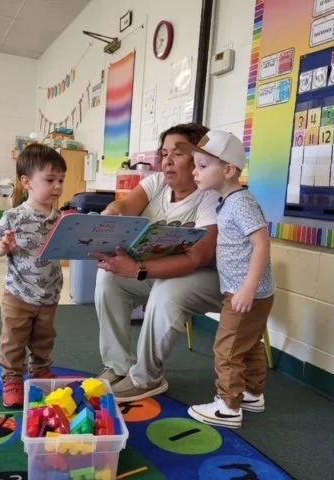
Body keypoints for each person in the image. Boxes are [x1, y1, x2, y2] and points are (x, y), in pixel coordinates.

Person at [91, 123, 223, 402]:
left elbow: (197, 258)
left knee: (167, 290)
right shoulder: (157, 182)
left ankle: (146, 378)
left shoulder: (211, 196)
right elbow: (126, 206)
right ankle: (118, 366)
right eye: (164, 153)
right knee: (109, 278)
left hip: (211, 278)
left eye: (178, 153)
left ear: (201, 158)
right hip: (162, 272)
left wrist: (138, 270)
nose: (168, 161)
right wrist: (112, 212)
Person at [180, 131, 275, 429]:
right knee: (249, 344)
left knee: (228, 348)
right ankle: (252, 392)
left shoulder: (240, 202)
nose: (195, 171)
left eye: (203, 165)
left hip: (245, 291)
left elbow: (262, 244)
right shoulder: (229, 201)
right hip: (248, 290)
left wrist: (247, 289)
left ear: (229, 170)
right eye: (195, 165)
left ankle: (228, 405)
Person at [0, 143, 67, 408]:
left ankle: (41, 370)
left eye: (61, 180)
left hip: (49, 293)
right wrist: (2, 247)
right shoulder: (14, 216)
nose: (57, 186)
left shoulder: (61, 218)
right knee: (14, 339)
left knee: (44, 338)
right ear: (27, 182)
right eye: (50, 180)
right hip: (18, 293)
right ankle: (11, 378)